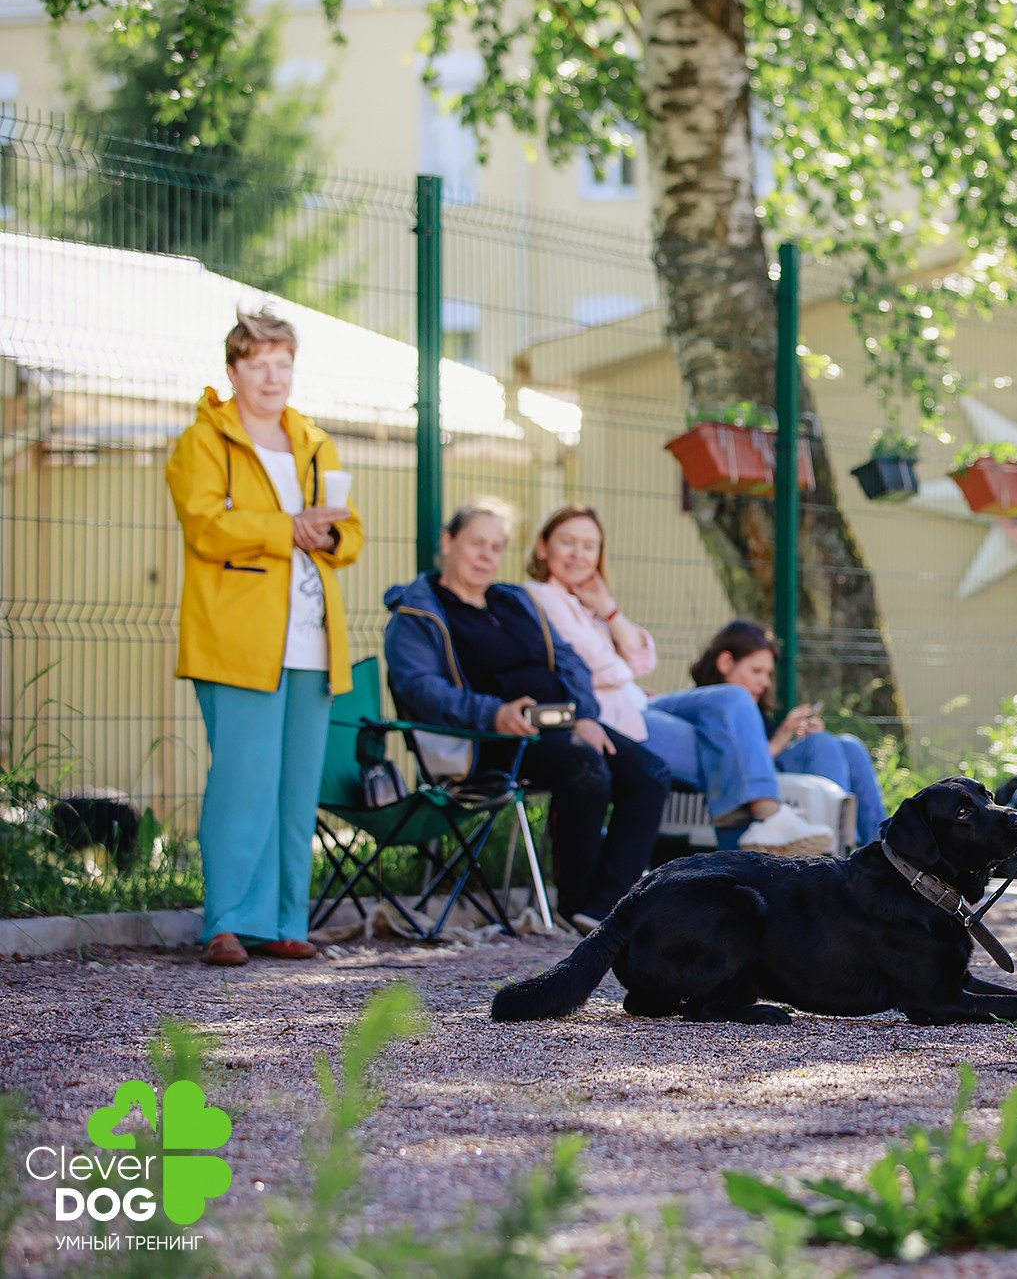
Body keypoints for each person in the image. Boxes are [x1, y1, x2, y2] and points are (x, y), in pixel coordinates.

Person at [167, 307, 364, 967]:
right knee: (242, 782)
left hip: (312, 641)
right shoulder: (203, 440)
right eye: (260, 365)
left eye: (284, 364)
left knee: (295, 788)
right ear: (233, 370)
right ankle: (227, 922)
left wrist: (327, 535)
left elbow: (351, 533)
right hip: (238, 640)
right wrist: (288, 529)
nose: (274, 378)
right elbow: (205, 525)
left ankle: (284, 920)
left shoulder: (313, 440)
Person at [384, 498, 669, 932]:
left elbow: (570, 662)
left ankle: (606, 905)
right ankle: (577, 905)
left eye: (496, 547)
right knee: (585, 767)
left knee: (650, 772)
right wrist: (494, 714)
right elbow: (421, 690)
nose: (487, 555)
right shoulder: (418, 612)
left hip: (559, 723)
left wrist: (585, 714)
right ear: (447, 541)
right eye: (477, 543)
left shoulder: (514, 600)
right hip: (486, 740)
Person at [522, 504, 833, 858]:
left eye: (589, 546)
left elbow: (643, 659)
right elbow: (601, 667)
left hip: (637, 704)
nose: (579, 555)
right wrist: (622, 669)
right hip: (610, 717)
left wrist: (609, 610)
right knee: (726, 750)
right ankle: (765, 827)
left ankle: (759, 841)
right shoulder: (541, 598)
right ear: (543, 547)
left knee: (731, 705)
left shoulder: (589, 604)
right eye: (568, 542)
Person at [688, 621, 888, 847]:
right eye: (756, 671)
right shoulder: (714, 705)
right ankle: (836, 845)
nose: (764, 682)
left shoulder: (752, 707)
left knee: (849, 746)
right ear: (726, 662)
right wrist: (784, 736)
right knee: (821, 744)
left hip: (781, 779)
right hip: (753, 793)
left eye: (768, 674)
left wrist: (799, 737)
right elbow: (740, 765)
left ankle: (881, 846)